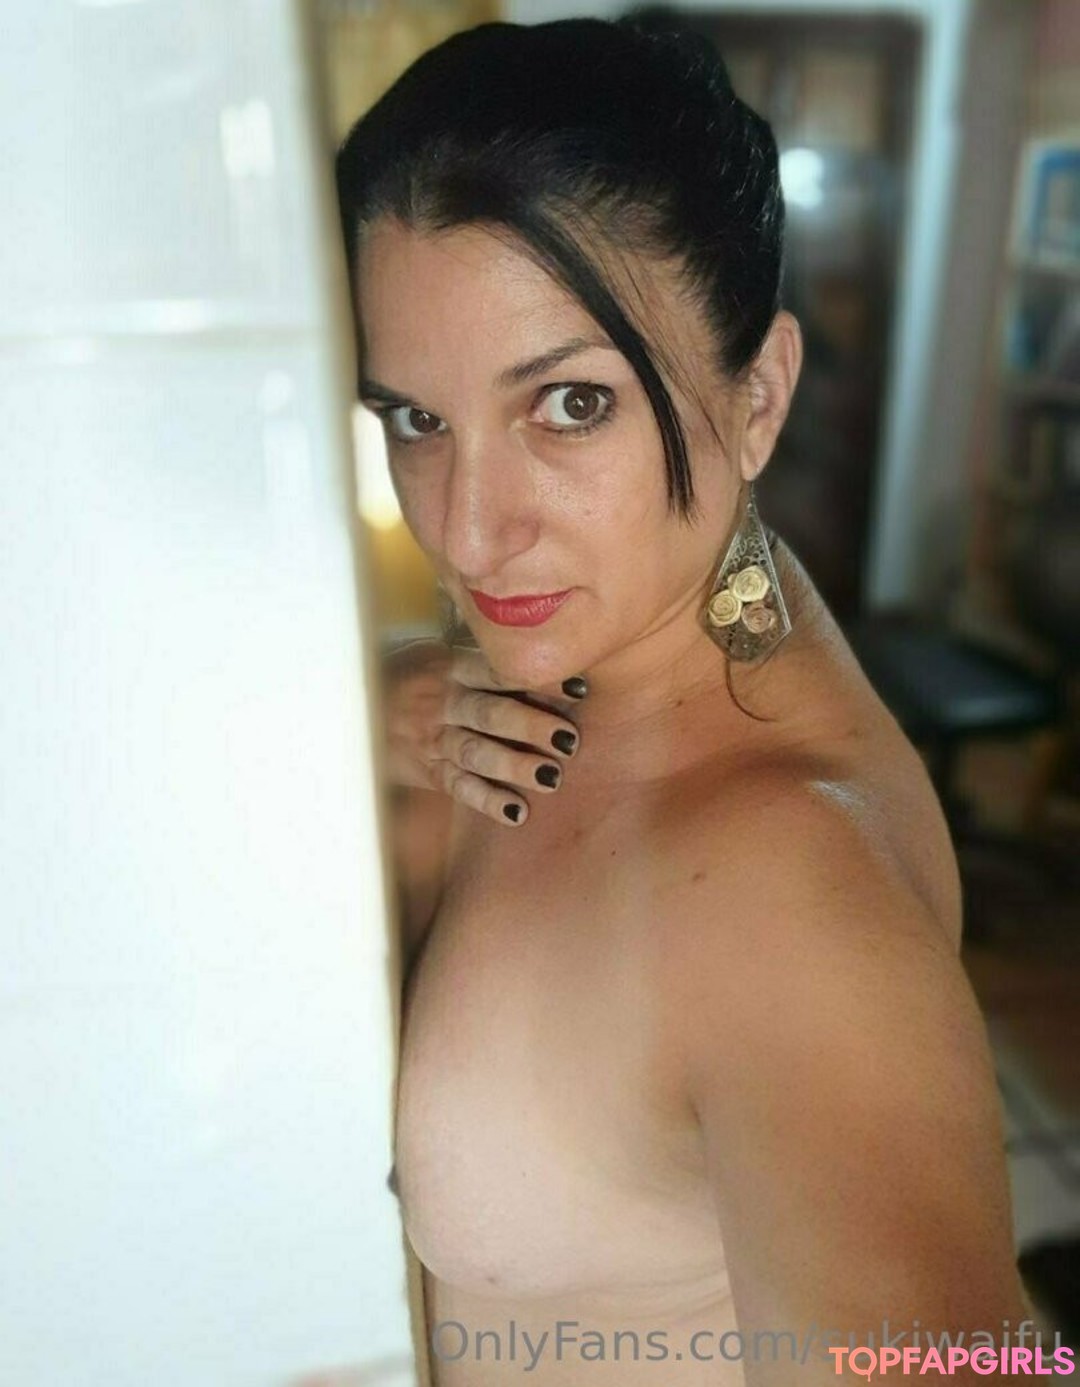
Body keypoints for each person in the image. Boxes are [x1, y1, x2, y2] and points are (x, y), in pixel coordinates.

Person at [335, 17, 1034, 1385]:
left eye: (570, 405)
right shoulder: (582, 662)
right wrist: (384, 699)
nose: (469, 534)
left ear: (757, 397)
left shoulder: (783, 889)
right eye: (419, 420)